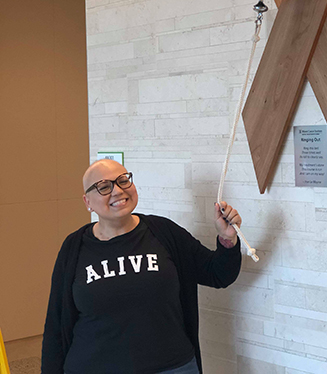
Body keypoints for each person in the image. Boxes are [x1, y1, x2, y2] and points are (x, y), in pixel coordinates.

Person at [41, 159, 242, 374]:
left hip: (172, 367)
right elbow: (56, 324)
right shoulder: (74, 248)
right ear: (87, 201)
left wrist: (227, 238)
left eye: (123, 180)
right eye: (104, 186)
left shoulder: (164, 232)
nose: (118, 191)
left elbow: (217, 274)